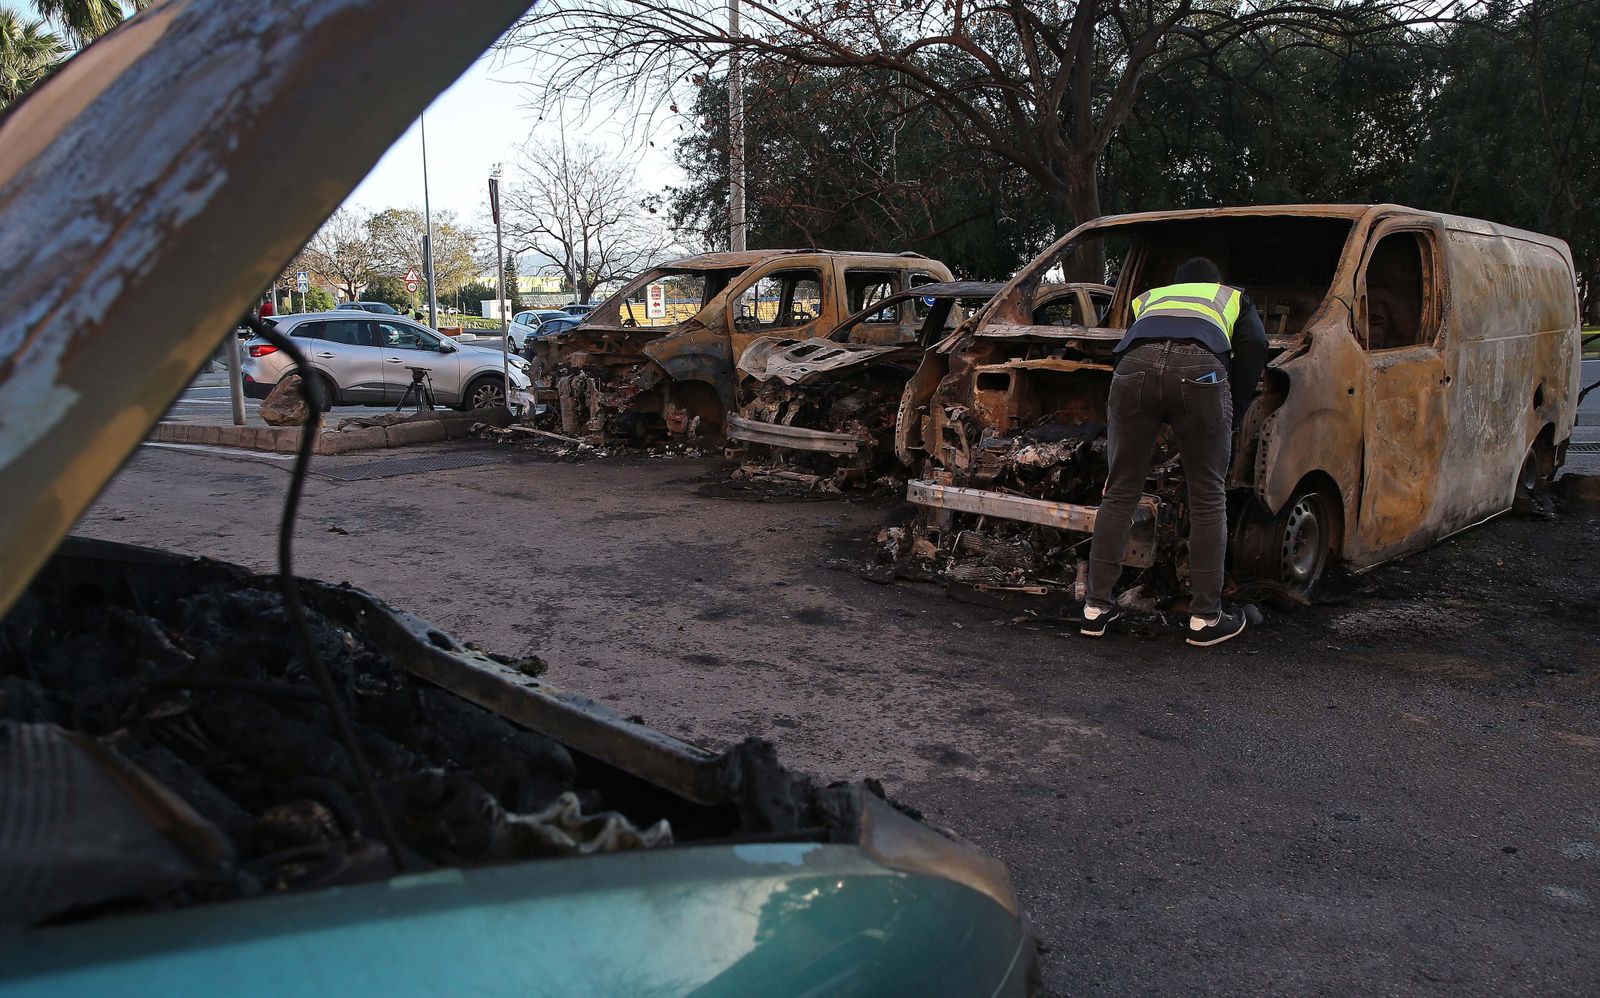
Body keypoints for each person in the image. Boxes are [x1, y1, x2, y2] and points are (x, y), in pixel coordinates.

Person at [1080, 256, 1268, 646]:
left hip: (1132, 369)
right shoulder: (1230, 296)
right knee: (1207, 497)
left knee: (1119, 492)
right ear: (1215, 280)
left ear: (1176, 282)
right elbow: (1256, 346)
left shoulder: (1149, 298)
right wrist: (1230, 405)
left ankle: (1095, 609)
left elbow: (1131, 352)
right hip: (1201, 368)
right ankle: (1205, 618)